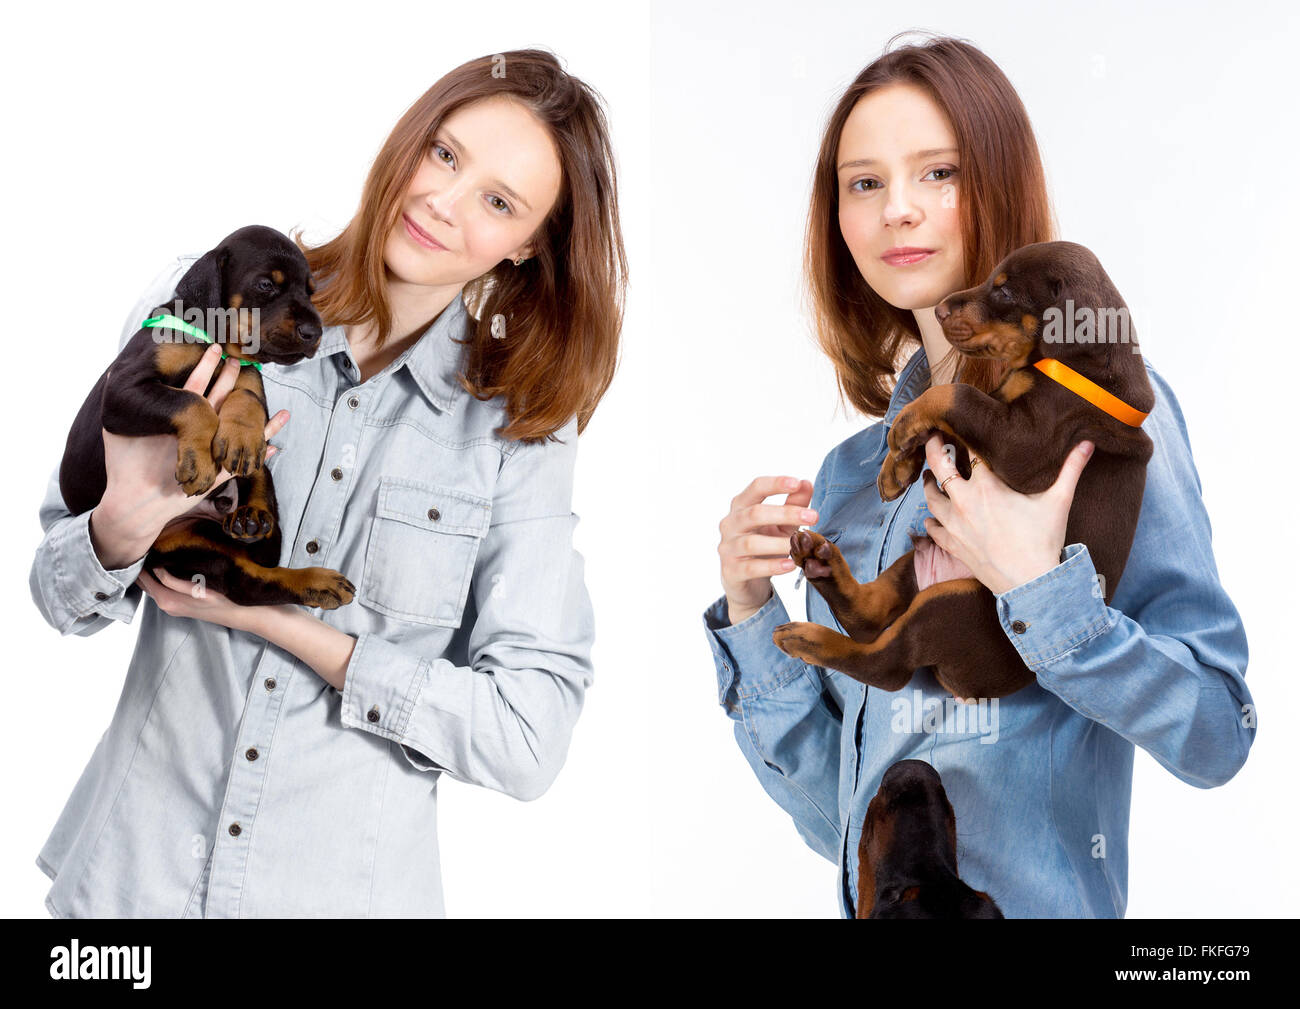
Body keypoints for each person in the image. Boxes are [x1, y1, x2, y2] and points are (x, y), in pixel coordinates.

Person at [31, 48, 626, 917]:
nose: (442, 202)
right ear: (410, 139)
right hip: (128, 894)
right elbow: (59, 594)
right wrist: (122, 521)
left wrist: (285, 625)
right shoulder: (220, 299)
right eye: (445, 154)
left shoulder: (519, 428)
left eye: (499, 201)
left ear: (530, 245)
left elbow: (527, 736)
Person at [703, 34, 1253, 918]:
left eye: (938, 173)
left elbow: (1219, 731)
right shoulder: (854, 479)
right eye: (865, 182)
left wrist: (1043, 595)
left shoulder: (1107, 420)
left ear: (998, 183)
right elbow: (839, 823)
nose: (899, 212)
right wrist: (748, 610)